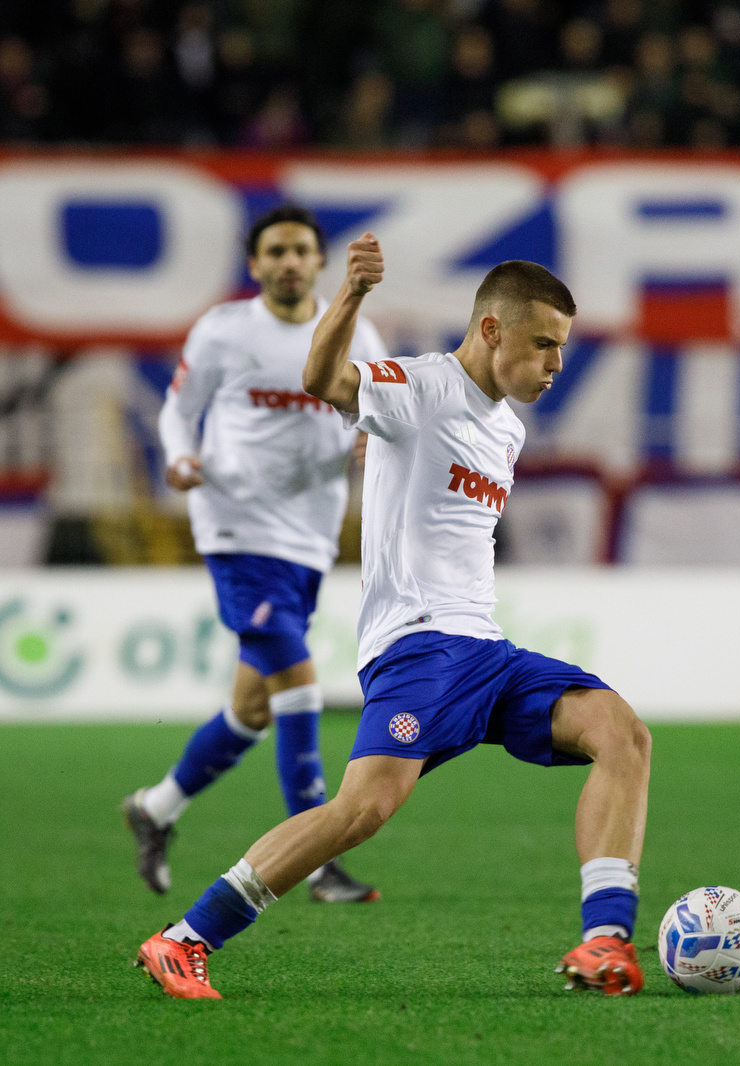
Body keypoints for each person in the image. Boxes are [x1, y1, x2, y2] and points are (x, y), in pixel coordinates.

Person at [133, 235, 654, 1000]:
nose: (555, 365)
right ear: (490, 330)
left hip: (485, 651)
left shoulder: (506, 426)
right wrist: (349, 295)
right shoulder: (419, 386)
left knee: (622, 732)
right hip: (419, 647)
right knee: (360, 812)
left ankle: (605, 944)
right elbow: (321, 378)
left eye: (562, 349)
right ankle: (183, 939)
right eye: (543, 344)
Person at [123, 204, 386, 904]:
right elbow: (179, 408)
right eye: (276, 251)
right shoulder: (224, 330)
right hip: (235, 526)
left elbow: (377, 414)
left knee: (252, 710)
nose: (289, 262)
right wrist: (180, 457)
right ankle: (318, 861)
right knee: (298, 681)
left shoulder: (357, 331)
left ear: (319, 261)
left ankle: (155, 809)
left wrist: (369, 437)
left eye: (301, 249)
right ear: (255, 264)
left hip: (307, 536)